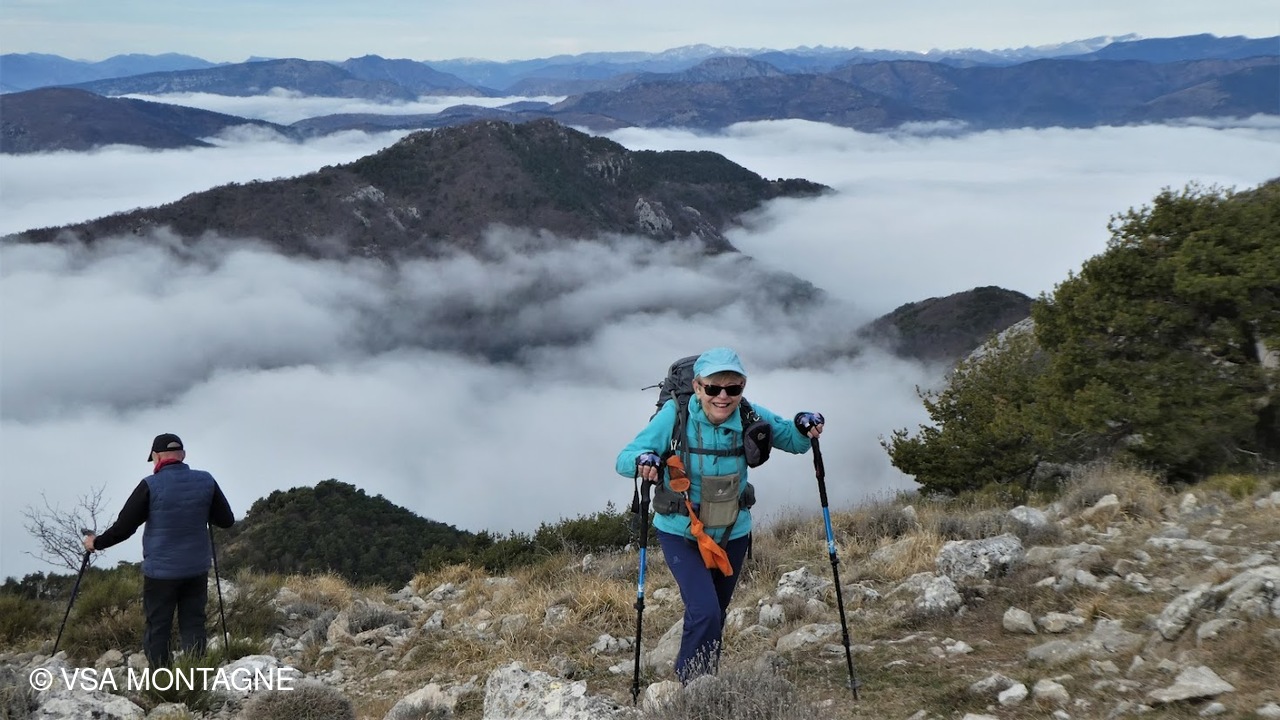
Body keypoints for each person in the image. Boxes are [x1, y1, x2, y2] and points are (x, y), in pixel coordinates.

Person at [615, 347, 823, 682]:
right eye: (713, 388)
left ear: (742, 387)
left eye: (733, 388)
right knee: (704, 610)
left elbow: (794, 440)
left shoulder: (748, 414)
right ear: (697, 387)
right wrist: (643, 460)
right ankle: (693, 687)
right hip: (680, 532)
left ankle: (704, 679)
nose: (723, 397)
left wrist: (804, 423)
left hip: (732, 532)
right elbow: (624, 459)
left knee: (715, 613)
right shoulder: (674, 416)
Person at [83, 433, 235, 667]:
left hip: (161, 573)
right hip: (196, 568)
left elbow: (124, 528)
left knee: (158, 626)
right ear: (183, 455)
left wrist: (96, 542)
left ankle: (162, 677)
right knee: (194, 622)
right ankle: (195, 674)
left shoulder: (150, 485)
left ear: (156, 457)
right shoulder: (206, 480)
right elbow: (226, 520)